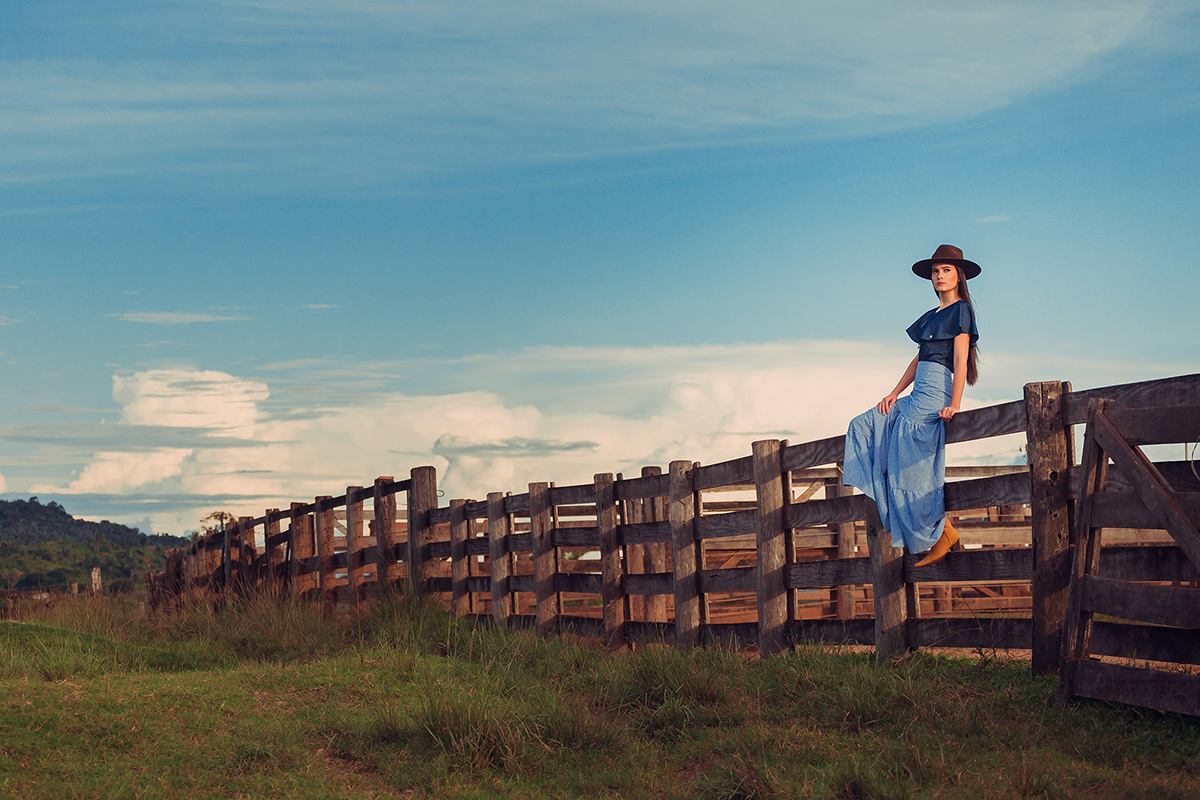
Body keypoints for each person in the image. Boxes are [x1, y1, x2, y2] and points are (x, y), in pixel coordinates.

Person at [842, 244, 980, 567]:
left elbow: (960, 360)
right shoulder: (930, 318)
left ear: (958, 276)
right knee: (865, 425)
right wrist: (893, 392)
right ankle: (940, 530)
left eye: (946, 270)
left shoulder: (962, 311)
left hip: (936, 393)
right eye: (935, 271)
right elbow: (920, 358)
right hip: (917, 391)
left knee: (908, 456)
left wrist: (955, 403)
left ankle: (940, 532)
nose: (939, 276)